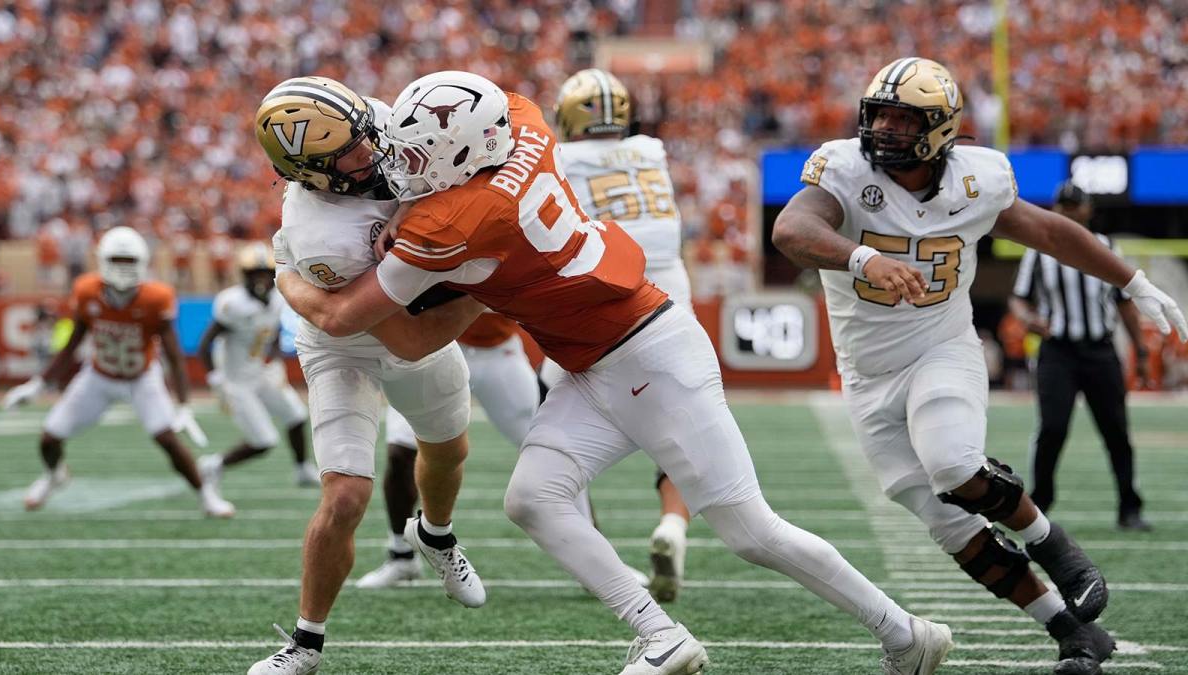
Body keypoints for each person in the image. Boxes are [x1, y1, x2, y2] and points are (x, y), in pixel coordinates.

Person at [276, 70, 953, 675]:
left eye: (420, 156)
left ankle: (906, 633)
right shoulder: (525, 124)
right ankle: (659, 634)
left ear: (460, 158)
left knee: (752, 530)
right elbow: (501, 106)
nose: (404, 167)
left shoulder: (451, 218)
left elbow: (366, 325)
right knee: (533, 498)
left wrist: (289, 278)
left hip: (646, 353)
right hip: (598, 355)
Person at [771, 57, 1186, 675]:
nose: (882, 128)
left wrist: (1131, 280)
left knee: (953, 463)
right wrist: (863, 258)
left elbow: (1048, 231)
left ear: (939, 129)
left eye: (900, 117)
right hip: (866, 373)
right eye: (877, 113)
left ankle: (1056, 547)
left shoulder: (978, 179)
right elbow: (791, 228)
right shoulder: (846, 170)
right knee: (948, 525)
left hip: (941, 348)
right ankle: (1074, 635)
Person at [247, 76, 489, 675]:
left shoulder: (377, 122)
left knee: (449, 452)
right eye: (351, 153)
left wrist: (415, 218)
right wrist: (489, 291)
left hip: (408, 310)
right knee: (346, 494)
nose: (372, 150)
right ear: (312, 173)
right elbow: (399, 334)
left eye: (364, 134)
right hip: (349, 340)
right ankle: (305, 644)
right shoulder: (320, 234)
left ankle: (435, 535)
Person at [548, 68, 693, 602]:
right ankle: (673, 525)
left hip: (606, 285)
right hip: (673, 288)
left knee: (555, 416)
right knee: (680, 420)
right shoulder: (651, 150)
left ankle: (587, 546)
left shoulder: (562, 157)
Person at [2, 225, 233, 517]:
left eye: (129, 262)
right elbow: (73, 343)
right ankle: (53, 476)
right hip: (99, 376)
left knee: (167, 439)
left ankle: (205, 495)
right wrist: (38, 384)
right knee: (49, 438)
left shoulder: (156, 297)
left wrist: (184, 404)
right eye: (117, 261)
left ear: (142, 263)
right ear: (103, 262)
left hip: (141, 378)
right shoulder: (87, 291)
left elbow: (174, 356)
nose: (123, 269)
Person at [355, 312, 546, 589]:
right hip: (435, 346)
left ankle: (590, 557)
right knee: (400, 453)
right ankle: (401, 555)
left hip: (497, 349)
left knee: (550, 450)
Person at [1009, 181, 1154, 531]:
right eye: (1064, 206)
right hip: (1058, 351)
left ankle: (1129, 507)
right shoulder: (1039, 253)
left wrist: (1142, 350)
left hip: (1100, 351)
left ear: (1088, 210)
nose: (1071, 211)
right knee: (1053, 428)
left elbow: (1125, 304)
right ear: (1057, 210)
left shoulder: (1105, 248)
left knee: (1116, 430)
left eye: (1076, 206)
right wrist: (1029, 320)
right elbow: (1018, 298)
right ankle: (1039, 506)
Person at [195, 242, 317, 489]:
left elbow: (271, 335)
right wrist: (214, 378)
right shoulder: (232, 303)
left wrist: (275, 361)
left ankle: (302, 469)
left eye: (264, 274)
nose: (261, 280)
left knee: (296, 415)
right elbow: (205, 343)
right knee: (264, 441)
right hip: (237, 382)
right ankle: (213, 465)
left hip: (260, 373)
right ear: (245, 276)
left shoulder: (278, 298)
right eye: (255, 274)